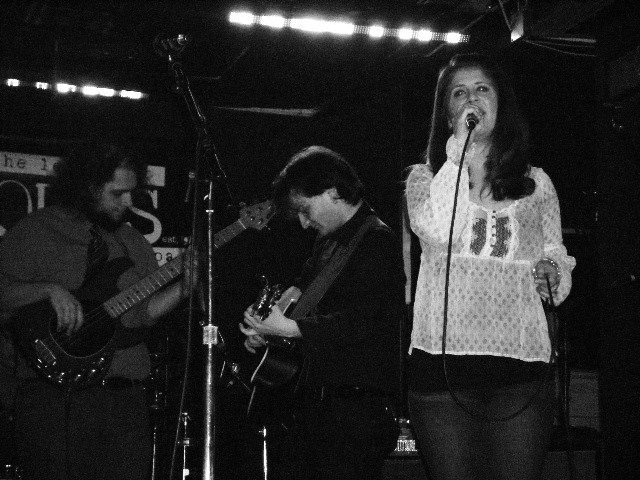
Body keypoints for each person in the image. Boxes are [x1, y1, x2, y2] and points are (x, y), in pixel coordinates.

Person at [404, 53, 576, 480]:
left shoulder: (537, 183)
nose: (471, 99)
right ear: (447, 114)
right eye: (458, 93)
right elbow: (440, 231)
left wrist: (554, 272)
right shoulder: (424, 180)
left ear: (501, 104)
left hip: (520, 366)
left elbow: (555, 250)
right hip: (443, 369)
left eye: (482, 89)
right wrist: (457, 156)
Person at [0, 139, 198, 480]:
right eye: (117, 193)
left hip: (122, 400)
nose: (128, 203)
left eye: (132, 193)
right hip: (52, 399)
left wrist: (184, 288)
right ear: (87, 188)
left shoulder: (132, 241)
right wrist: (47, 290)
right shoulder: (36, 232)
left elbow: (143, 314)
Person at [240, 145, 405, 480]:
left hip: (355, 413)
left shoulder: (377, 241)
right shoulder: (326, 243)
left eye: (305, 210)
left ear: (332, 192)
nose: (304, 223)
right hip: (316, 410)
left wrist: (289, 329)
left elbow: (368, 320)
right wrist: (267, 329)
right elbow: (300, 297)